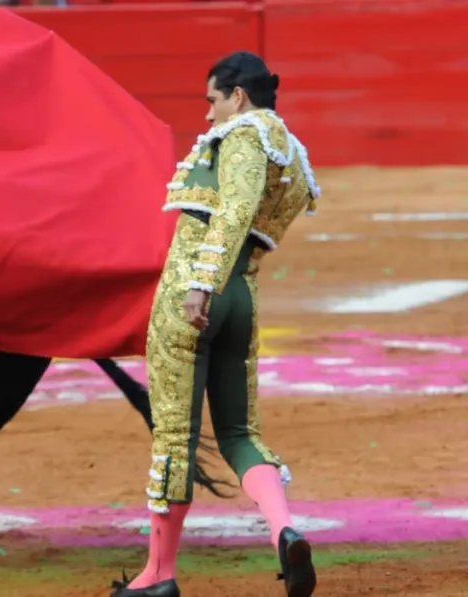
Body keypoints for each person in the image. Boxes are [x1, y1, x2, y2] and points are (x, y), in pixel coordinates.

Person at [110, 51, 322, 597]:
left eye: (213, 100)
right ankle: (285, 530)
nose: (208, 115)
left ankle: (158, 574)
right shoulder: (291, 154)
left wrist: (201, 284)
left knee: (174, 436)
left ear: (238, 97)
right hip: (243, 294)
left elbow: (232, 211)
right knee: (240, 433)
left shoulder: (244, 136)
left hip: (195, 292)